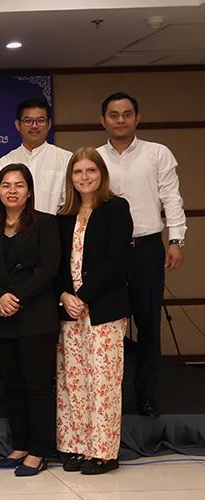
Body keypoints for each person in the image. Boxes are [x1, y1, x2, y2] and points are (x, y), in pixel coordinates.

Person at [96, 92, 186, 417]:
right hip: (108, 255)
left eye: (127, 114)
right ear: (103, 120)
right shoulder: (94, 158)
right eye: (114, 114)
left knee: (148, 326)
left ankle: (146, 395)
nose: (120, 120)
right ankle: (109, 399)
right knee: (108, 330)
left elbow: (171, 199)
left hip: (147, 249)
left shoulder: (157, 153)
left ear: (137, 118)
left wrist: (176, 239)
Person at [56, 147, 132, 475]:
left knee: (102, 381)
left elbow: (116, 260)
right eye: (78, 172)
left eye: (91, 171)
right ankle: (76, 447)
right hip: (70, 310)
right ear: (70, 177)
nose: (84, 177)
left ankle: (103, 451)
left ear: (102, 174)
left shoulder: (116, 208)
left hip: (103, 308)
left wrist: (83, 295)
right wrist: (64, 296)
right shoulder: (63, 216)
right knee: (73, 381)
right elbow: (56, 264)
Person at [0, 163, 60, 477]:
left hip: (36, 317)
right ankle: (20, 445)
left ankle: (40, 450)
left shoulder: (46, 223)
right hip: (1, 317)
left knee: (36, 385)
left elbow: (48, 268)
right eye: (6, 186)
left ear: (29, 191)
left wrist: (16, 298)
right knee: (11, 385)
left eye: (19, 185)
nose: (12, 191)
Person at [0, 99, 72, 215]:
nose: (34, 126)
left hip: (55, 230)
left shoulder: (66, 159)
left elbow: (71, 203)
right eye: (28, 121)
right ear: (18, 125)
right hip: (14, 231)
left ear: (49, 124)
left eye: (40, 121)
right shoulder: (4, 163)